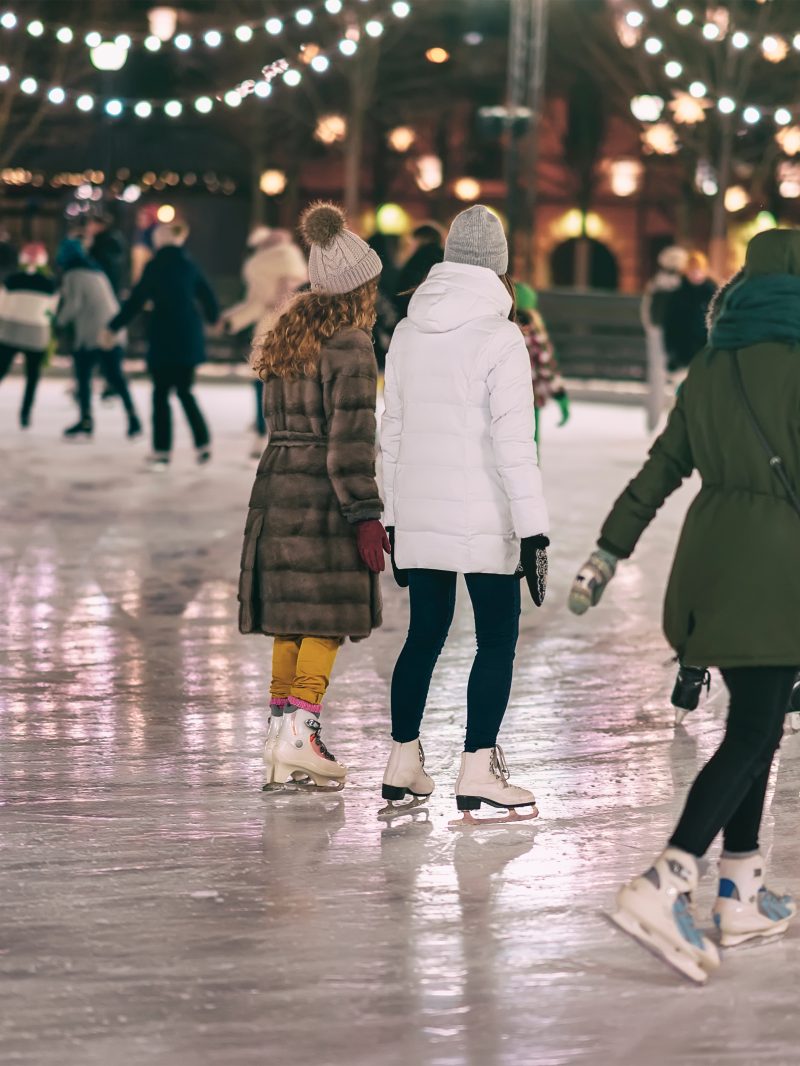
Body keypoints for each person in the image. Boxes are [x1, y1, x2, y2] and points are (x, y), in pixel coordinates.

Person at [568, 227, 800, 984]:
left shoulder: (708, 366)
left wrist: (608, 550)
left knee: (753, 727)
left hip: (709, 567)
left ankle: (739, 887)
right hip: (778, 571)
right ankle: (666, 878)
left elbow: (661, 470)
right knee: (756, 730)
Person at [380, 204, 550, 822]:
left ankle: (403, 763)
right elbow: (514, 443)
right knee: (496, 640)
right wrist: (533, 531)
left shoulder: (405, 330)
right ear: (500, 268)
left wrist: (394, 518)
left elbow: (390, 433)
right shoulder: (501, 336)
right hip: (487, 519)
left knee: (423, 634)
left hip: (421, 512)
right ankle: (477, 769)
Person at [238, 202, 387, 791]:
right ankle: (302, 731)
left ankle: (280, 738)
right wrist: (365, 514)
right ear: (357, 289)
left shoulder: (289, 334)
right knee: (325, 618)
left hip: (278, 488)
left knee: (290, 622)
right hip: (323, 496)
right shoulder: (351, 345)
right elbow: (351, 441)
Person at [105, 222, 218, 468]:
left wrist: (113, 326)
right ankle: (203, 444)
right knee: (186, 392)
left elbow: (136, 300)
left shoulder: (155, 267)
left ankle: (162, 451)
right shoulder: (189, 265)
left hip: (163, 336)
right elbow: (208, 297)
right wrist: (214, 318)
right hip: (188, 337)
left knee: (160, 395)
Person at [221, 226, 307, 457]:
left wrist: (284, 297)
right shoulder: (270, 266)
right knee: (266, 381)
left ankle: (273, 435)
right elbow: (257, 302)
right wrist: (233, 320)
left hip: (288, 330)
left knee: (277, 383)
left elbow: (292, 286)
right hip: (272, 328)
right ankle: (267, 433)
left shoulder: (283, 260)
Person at [56, 238, 141, 440]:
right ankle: (133, 418)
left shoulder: (73, 275)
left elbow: (73, 305)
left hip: (92, 334)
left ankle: (86, 420)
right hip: (113, 330)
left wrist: (58, 321)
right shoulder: (96, 272)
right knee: (115, 376)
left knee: (83, 376)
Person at [0, 242, 58, 428]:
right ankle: (25, 413)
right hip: (37, 333)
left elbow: (2, 305)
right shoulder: (50, 283)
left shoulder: (11, 280)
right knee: (32, 376)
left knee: (1, 369)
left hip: (11, 330)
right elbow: (52, 311)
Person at [514, 281, 570, 451]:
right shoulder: (534, 331)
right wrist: (560, 396)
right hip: (529, 398)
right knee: (529, 444)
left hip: (506, 395)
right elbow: (547, 367)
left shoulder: (502, 326)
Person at [641, 245, 689, 430]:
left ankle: (657, 421)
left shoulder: (656, 283)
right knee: (674, 377)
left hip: (662, 334)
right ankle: (667, 421)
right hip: (669, 334)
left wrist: (651, 329)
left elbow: (647, 311)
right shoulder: (674, 285)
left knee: (659, 377)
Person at [663, 251, 716, 373]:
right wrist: (671, 352)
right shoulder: (678, 295)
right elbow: (670, 324)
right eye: (692, 270)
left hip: (705, 351)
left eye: (698, 270)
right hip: (683, 352)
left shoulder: (713, 294)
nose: (695, 274)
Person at [393, 221, 445, 320]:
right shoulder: (445, 258)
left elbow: (402, 292)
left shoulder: (417, 260)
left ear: (420, 239)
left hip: (414, 317)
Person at [84, 210, 128, 296]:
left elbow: (106, 266)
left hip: (105, 287)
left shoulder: (107, 242)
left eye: (90, 224)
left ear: (100, 226)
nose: (88, 228)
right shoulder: (105, 240)